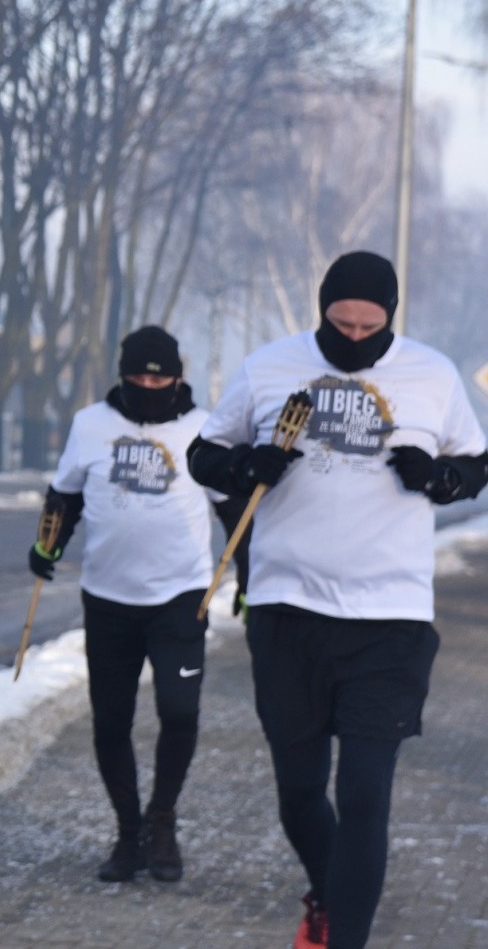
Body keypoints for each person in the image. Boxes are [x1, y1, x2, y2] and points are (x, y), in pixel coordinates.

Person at [188, 252, 487, 949]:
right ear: (321, 310)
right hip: (288, 609)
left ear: (391, 317)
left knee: (363, 795)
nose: (354, 338)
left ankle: (344, 937)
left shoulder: (432, 375)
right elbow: (204, 453)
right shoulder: (269, 366)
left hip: (391, 618)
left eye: (369, 326)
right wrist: (243, 466)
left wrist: (442, 477)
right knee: (299, 792)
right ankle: (330, 891)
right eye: (340, 323)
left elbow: (477, 464)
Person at [28, 325, 239, 886]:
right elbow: (65, 495)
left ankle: (161, 819)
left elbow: (232, 508)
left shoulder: (203, 429)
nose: (149, 384)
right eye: (139, 375)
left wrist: (251, 568)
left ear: (177, 377)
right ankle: (128, 834)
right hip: (108, 600)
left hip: (181, 597)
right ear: (123, 375)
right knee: (112, 720)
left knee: (180, 711)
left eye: (160, 376)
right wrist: (47, 545)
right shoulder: (90, 424)